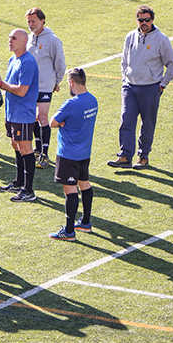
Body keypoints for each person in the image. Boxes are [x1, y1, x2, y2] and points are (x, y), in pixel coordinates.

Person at [108, 5, 173, 170]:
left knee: (147, 124)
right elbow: (124, 60)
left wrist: (162, 85)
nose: (144, 23)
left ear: (152, 20)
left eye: (147, 20)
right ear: (136, 20)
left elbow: (172, 65)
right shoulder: (130, 36)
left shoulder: (161, 39)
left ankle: (143, 156)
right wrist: (126, 77)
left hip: (150, 88)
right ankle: (125, 156)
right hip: (130, 87)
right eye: (141, 20)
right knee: (126, 120)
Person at [0, 29, 40, 202]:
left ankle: (29, 190)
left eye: (14, 38)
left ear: (24, 41)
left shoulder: (28, 62)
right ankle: (18, 182)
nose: (10, 40)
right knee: (15, 145)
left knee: (25, 148)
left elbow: (22, 91)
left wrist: (0, 83)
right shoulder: (13, 59)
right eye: (9, 37)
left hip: (23, 114)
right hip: (12, 112)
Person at [48, 68, 99, 241]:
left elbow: (52, 123)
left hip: (68, 154)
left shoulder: (71, 104)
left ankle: (69, 231)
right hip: (85, 152)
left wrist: (63, 122)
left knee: (70, 190)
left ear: (71, 82)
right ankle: (85, 222)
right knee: (84, 184)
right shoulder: (93, 100)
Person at [25, 8, 66, 168]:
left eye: (33, 21)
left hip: (44, 85)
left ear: (42, 21)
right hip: (29, 86)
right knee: (32, 116)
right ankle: (37, 148)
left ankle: (45, 154)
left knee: (42, 116)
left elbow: (60, 63)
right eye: (28, 21)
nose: (30, 25)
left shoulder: (52, 40)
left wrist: (56, 81)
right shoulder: (28, 38)